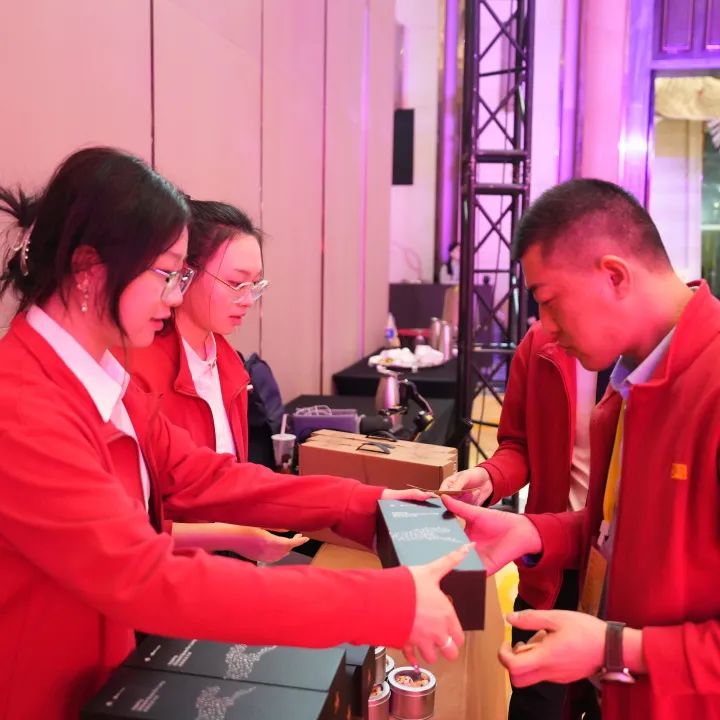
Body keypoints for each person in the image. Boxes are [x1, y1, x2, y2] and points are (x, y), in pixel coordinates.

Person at [0, 147, 467, 720]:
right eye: (166, 274)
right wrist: (384, 603)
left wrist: (365, 504)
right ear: (89, 269)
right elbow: (148, 579)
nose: (175, 296)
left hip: (107, 680)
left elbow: (205, 476)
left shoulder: (102, 379)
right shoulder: (21, 408)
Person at [444, 178, 720, 720]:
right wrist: (533, 532)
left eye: (549, 302)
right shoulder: (633, 382)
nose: (544, 327)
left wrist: (614, 647)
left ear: (614, 275)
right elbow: (628, 531)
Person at [440, 321, 609, 720]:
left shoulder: (664, 358)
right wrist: (490, 477)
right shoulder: (543, 340)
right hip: (549, 567)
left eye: (547, 295)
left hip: (620, 579)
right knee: (536, 704)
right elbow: (518, 443)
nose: (545, 314)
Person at [124, 198, 307, 562]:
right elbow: (135, 520)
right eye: (236, 283)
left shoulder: (228, 361)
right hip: (170, 563)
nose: (248, 300)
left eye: (255, 285)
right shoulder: (137, 369)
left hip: (233, 541)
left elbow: (231, 475)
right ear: (184, 273)